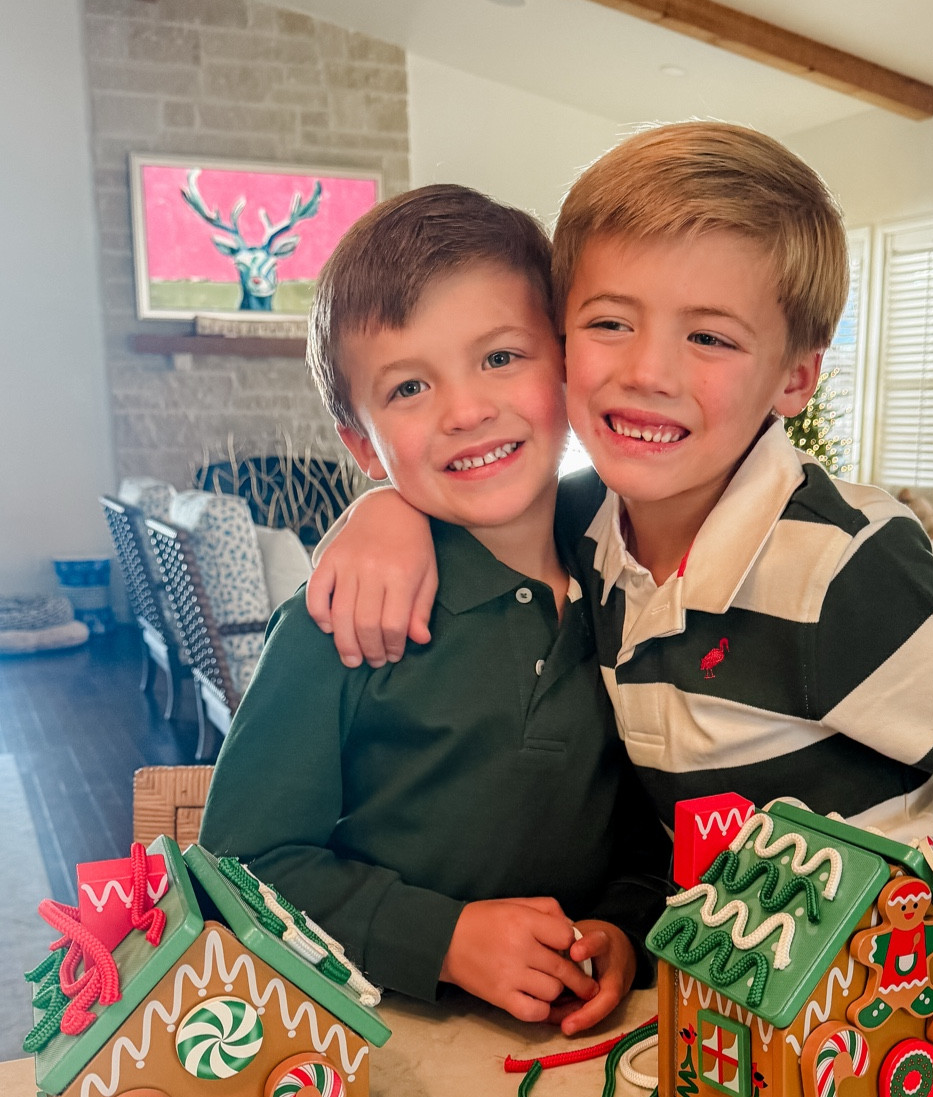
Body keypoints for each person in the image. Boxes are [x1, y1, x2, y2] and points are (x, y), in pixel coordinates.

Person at [307, 123, 933, 1067]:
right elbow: (469, 486)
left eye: (709, 336)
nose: (647, 371)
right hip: (765, 1028)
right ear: (560, 339)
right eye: (609, 322)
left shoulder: (841, 567)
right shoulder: (583, 537)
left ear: (795, 376)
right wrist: (383, 505)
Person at [201, 183, 669, 1033]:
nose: (465, 410)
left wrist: (623, 932)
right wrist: (445, 939)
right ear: (359, 440)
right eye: (409, 388)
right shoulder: (339, 620)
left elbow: (650, 829)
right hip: (380, 1055)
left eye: (501, 358)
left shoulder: (634, 569)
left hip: (584, 1060)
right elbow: (240, 865)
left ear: (566, 364)